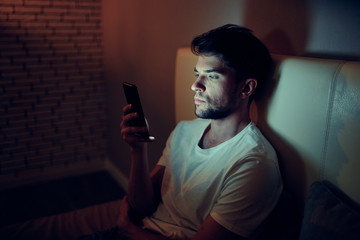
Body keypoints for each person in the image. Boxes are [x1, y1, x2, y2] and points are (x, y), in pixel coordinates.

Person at [117, 24, 283, 240]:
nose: (195, 85)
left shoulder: (254, 164)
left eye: (212, 76)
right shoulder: (184, 130)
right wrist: (137, 150)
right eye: (198, 74)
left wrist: (129, 231)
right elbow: (142, 206)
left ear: (246, 88)